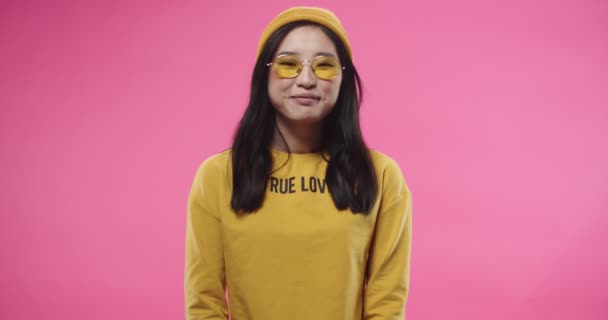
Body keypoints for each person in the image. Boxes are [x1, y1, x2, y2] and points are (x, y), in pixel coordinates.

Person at [185, 6, 413, 320]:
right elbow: (203, 303)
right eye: (288, 64)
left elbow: (387, 306)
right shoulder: (218, 176)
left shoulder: (381, 176)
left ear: (343, 79)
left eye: (324, 66)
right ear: (263, 75)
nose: (305, 79)